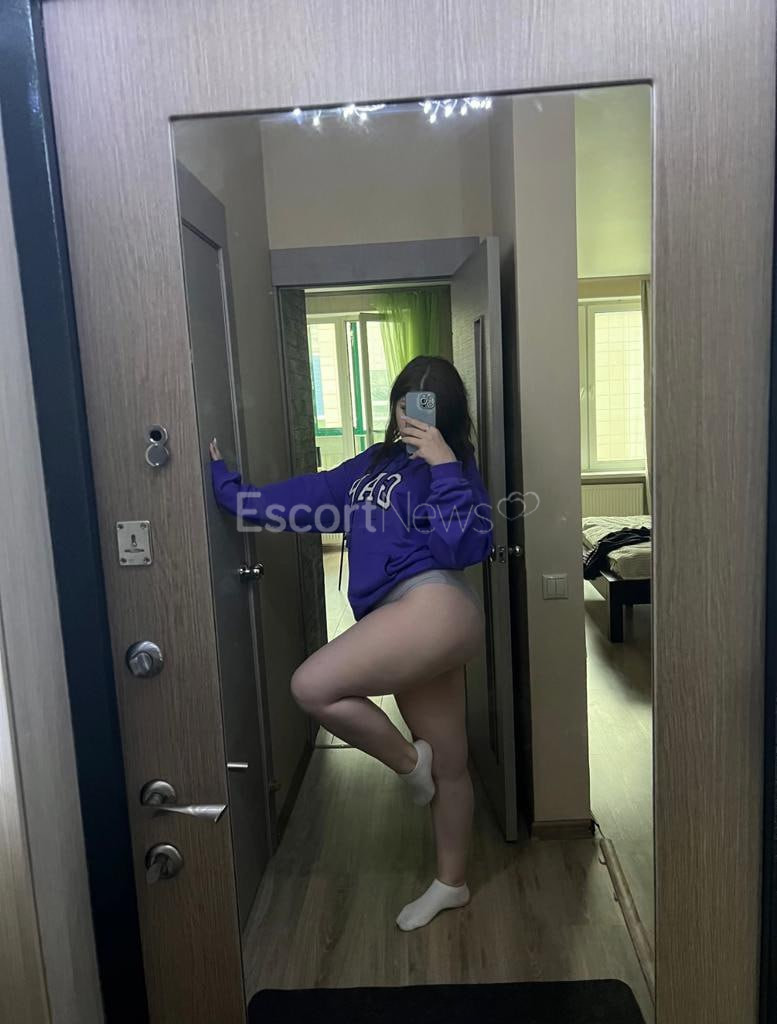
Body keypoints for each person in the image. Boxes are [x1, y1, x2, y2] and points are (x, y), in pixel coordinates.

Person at [209, 355, 493, 931]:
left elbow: (464, 548)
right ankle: (452, 882)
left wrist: (443, 466)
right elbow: (308, 496)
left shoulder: (457, 467)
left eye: (425, 405)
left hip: (434, 603)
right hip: (405, 618)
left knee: (311, 685)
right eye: (405, 403)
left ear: (446, 413)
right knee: (451, 763)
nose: (411, 416)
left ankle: (409, 764)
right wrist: (231, 490)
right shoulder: (373, 464)